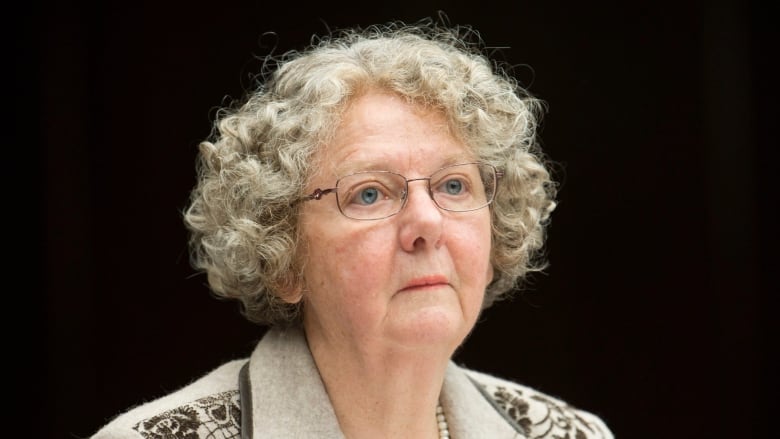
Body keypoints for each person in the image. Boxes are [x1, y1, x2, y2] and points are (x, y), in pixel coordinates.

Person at [92, 18, 613, 439]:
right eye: (369, 194)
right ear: (283, 260)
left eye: (454, 186)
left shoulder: (567, 433)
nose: (426, 223)